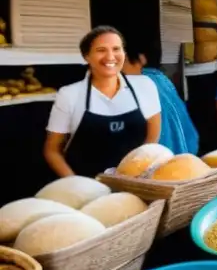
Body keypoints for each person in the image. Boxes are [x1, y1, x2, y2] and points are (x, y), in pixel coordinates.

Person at [43, 26, 162, 178]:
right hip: (87, 187)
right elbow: (52, 150)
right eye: (101, 50)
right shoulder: (69, 95)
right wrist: (76, 183)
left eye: (116, 49)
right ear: (87, 56)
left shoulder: (145, 85)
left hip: (137, 184)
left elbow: (152, 137)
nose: (110, 56)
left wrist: (139, 176)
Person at [123, 42, 199, 156]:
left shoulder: (134, 85)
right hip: (183, 151)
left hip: (153, 156)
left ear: (141, 59)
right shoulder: (159, 77)